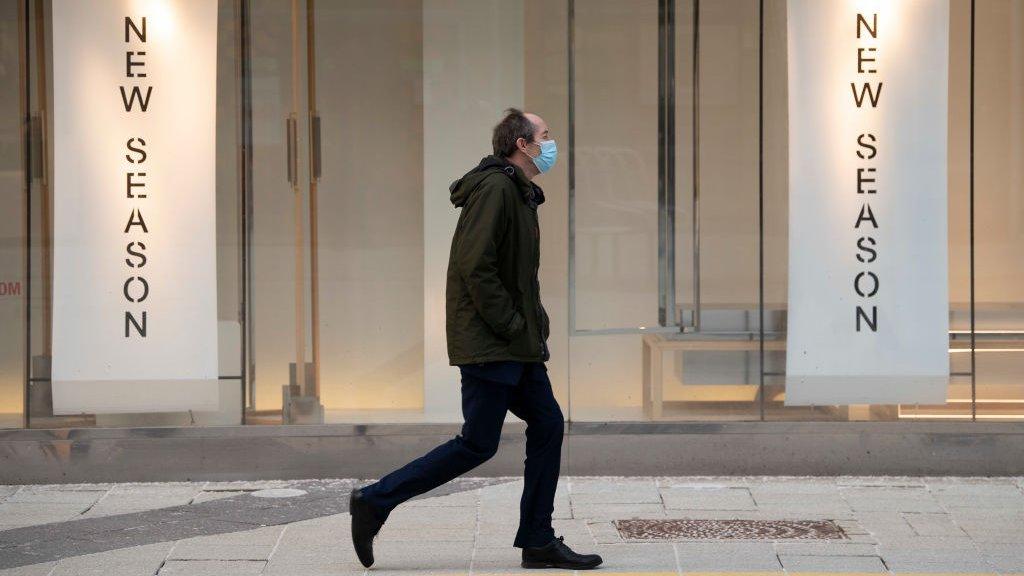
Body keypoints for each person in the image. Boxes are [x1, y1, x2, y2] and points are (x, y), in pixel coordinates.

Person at [348, 108, 602, 570]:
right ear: (522, 144)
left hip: (515, 344)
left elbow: (516, 274)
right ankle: (374, 500)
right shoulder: (496, 190)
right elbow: (474, 265)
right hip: (492, 344)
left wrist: (531, 322)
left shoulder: (518, 191)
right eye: (545, 136)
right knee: (478, 444)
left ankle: (537, 539)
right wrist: (509, 325)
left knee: (547, 425)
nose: (551, 143)